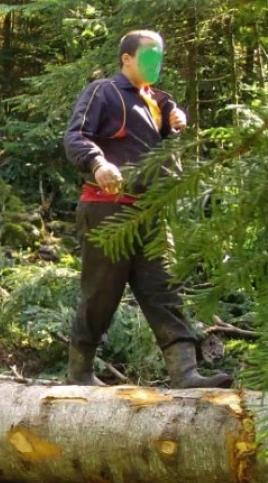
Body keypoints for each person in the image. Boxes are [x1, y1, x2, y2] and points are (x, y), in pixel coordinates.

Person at [63, 30, 232, 388]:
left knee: (165, 288)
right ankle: (79, 372)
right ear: (126, 58)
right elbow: (76, 135)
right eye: (148, 57)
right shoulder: (103, 92)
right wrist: (98, 164)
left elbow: (156, 146)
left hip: (152, 212)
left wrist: (174, 121)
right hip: (107, 209)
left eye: (159, 57)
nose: (156, 64)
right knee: (101, 293)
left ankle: (184, 372)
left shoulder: (158, 101)